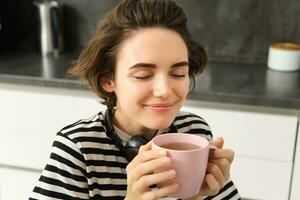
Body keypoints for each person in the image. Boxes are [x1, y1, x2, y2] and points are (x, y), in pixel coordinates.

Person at [30, 0, 241, 199]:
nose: (164, 91)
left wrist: (199, 197)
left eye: (178, 74)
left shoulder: (194, 132)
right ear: (108, 80)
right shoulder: (77, 148)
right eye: (143, 75)